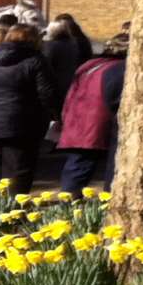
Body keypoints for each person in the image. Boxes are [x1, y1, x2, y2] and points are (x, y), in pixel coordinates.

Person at [0, 25, 57, 192]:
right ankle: (12, 212)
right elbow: (47, 94)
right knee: (19, 171)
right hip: (22, 124)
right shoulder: (36, 60)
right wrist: (54, 116)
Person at [54, 32, 128, 190]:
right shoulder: (120, 68)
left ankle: (67, 199)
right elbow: (115, 97)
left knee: (76, 165)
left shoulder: (90, 65)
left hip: (77, 120)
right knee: (107, 166)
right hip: (97, 123)